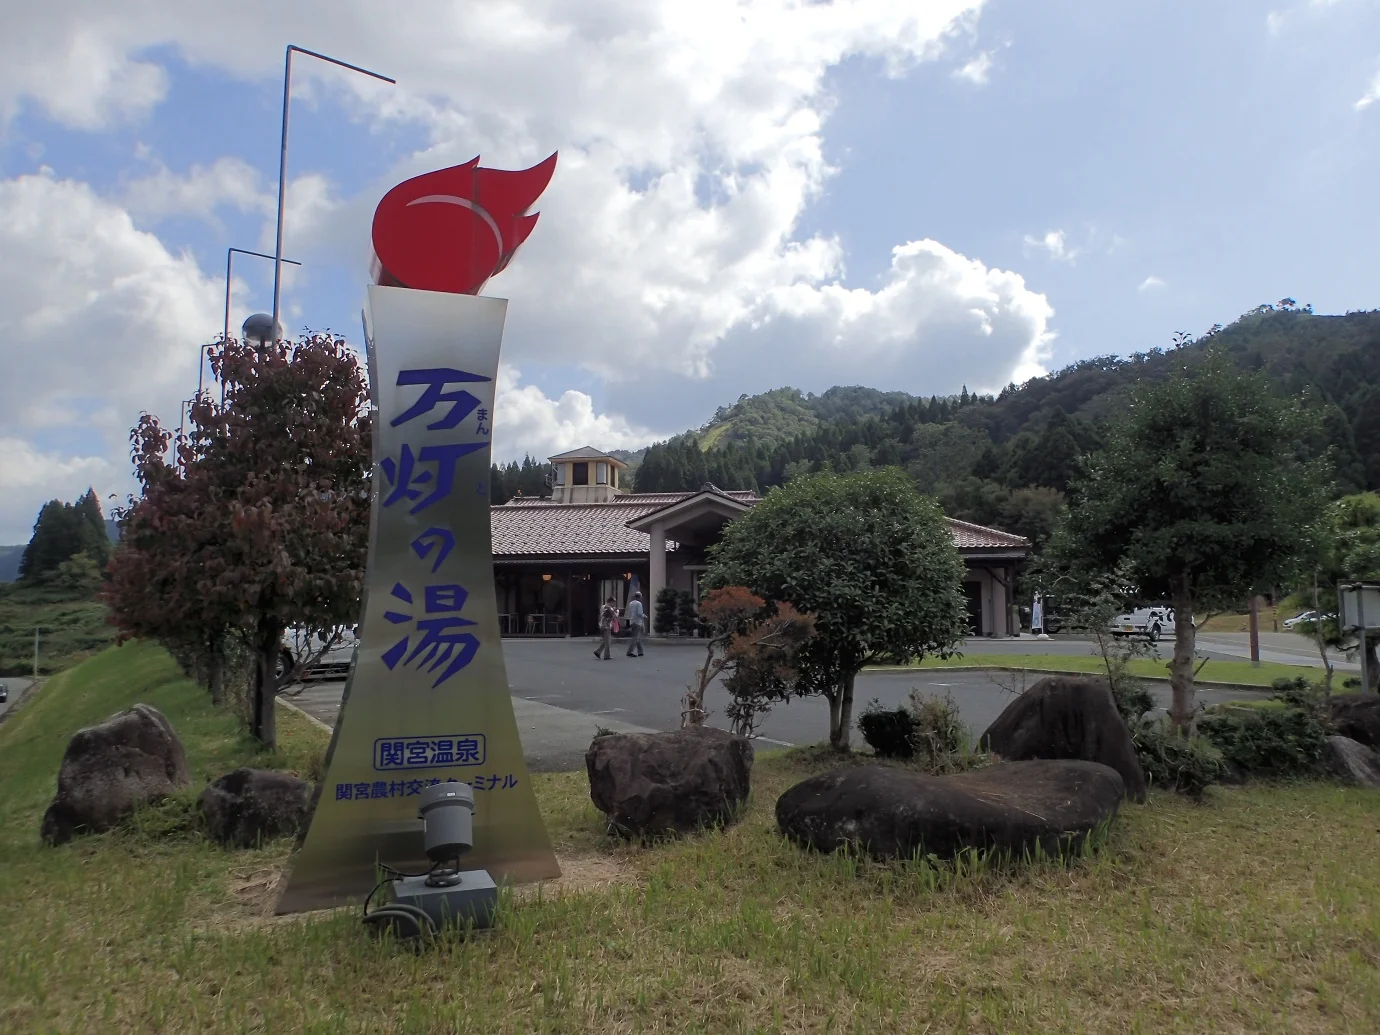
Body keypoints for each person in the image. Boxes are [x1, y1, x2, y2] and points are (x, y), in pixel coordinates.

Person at [594, 596, 617, 660]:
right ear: (611, 602)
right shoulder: (609, 608)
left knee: (606, 640)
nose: (614, 604)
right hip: (606, 626)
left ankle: (598, 651)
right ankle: (607, 655)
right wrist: (616, 611)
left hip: (602, 625)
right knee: (608, 641)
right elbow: (615, 616)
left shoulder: (603, 606)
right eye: (613, 602)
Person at [625, 590, 645, 657]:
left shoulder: (631, 603)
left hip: (632, 621)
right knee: (635, 637)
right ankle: (629, 651)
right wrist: (644, 616)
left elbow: (629, 612)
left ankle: (640, 651)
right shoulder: (639, 604)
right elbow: (639, 613)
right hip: (637, 622)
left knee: (637, 637)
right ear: (640, 597)